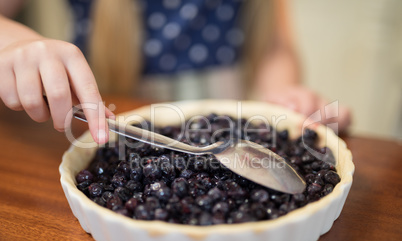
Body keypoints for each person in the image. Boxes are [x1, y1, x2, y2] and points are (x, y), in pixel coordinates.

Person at [0, 0, 351, 144]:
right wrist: (11, 43)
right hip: (113, 122)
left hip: (227, 123)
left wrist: (286, 95)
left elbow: (274, 45)